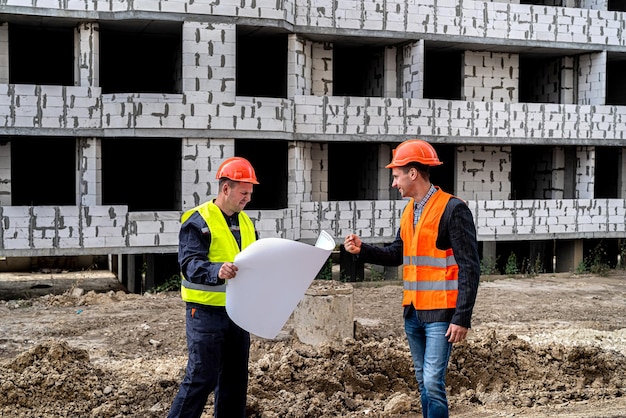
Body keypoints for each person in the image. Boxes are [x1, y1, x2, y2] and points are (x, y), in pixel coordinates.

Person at [343, 139, 480, 418]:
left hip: (441, 314)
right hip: (413, 312)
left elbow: (470, 267)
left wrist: (462, 316)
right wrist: (363, 249)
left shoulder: (452, 209)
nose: (394, 183)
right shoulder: (409, 211)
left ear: (413, 173)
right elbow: (397, 254)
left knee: (432, 382)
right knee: (422, 382)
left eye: (396, 176)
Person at [168, 156, 259, 418]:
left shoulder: (245, 222)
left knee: (234, 382)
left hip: (237, 313)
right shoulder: (198, 221)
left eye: (250, 193)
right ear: (226, 188)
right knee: (202, 378)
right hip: (206, 313)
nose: (247, 199)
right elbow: (190, 264)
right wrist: (216, 270)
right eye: (244, 192)